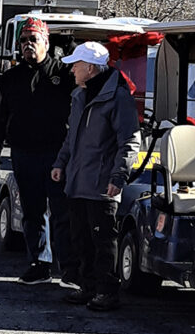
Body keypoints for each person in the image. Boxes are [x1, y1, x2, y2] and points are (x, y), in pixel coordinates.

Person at [0, 17, 78, 286]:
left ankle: (69, 268)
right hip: (24, 155)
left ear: (46, 43)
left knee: (62, 212)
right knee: (32, 213)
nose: (28, 45)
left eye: (33, 40)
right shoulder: (8, 80)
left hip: (57, 156)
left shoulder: (65, 75)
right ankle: (39, 263)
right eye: (23, 41)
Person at [51, 41, 141, 311]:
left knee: (103, 241)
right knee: (81, 238)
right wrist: (61, 162)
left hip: (102, 185)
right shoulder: (80, 95)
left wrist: (118, 177)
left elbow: (130, 141)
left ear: (90, 68)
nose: (72, 71)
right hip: (78, 181)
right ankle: (88, 287)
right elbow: (72, 136)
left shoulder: (118, 97)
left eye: (76, 65)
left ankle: (106, 291)